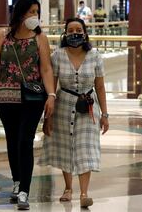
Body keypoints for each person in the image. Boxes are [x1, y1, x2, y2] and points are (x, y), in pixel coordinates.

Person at [0, 0, 55, 210]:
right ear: (20, 13)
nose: (34, 16)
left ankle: (24, 191)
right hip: (5, 96)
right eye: (30, 12)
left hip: (33, 97)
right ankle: (17, 181)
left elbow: (46, 69)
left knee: (25, 141)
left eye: (37, 11)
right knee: (12, 140)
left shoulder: (40, 38)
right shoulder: (2, 36)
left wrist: (52, 95)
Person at [39, 17, 109, 209]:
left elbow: (100, 86)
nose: (75, 33)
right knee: (66, 146)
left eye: (78, 29)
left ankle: (84, 193)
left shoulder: (95, 55)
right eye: (70, 30)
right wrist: (48, 116)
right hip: (63, 104)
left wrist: (105, 114)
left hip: (88, 107)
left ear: (85, 33)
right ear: (65, 34)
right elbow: (51, 85)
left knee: (85, 147)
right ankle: (68, 188)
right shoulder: (58, 55)